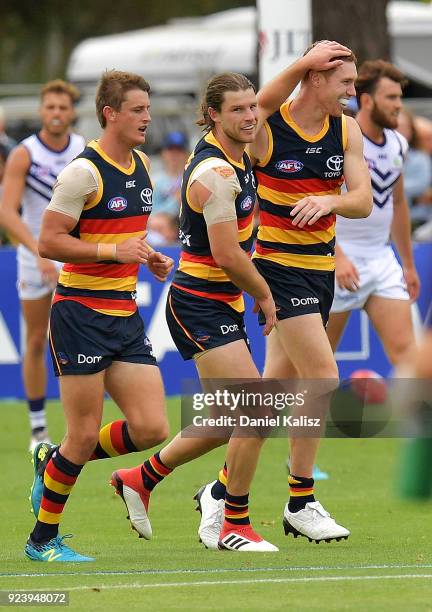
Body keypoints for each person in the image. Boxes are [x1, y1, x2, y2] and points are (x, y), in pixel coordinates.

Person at [109, 41, 353, 553]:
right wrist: (266, 297)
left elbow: (261, 108)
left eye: (251, 108)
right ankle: (237, 521)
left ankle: (144, 479)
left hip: (222, 301)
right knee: (259, 409)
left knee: (234, 419)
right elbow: (227, 255)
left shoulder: (237, 155)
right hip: (201, 300)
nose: (250, 116)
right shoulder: (218, 173)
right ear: (213, 117)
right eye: (238, 110)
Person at [195, 41, 371, 545]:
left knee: (268, 395)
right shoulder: (270, 129)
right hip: (277, 269)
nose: (351, 92)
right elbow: (262, 104)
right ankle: (300, 499)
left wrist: (328, 198)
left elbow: (361, 201)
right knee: (322, 377)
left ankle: (219, 488)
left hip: (319, 272)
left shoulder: (346, 129)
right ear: (315, 80)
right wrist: (300, 63)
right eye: (344, 82)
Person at [24, 70, 173, 562]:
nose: (146, 118)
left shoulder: (145, 165)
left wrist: (146, 256)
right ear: (110, 113)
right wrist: (114, 251)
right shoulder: (81, 173)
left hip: (123, 314)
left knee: (152, 428)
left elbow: (124, 234)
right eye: (137, 110)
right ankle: (42, 540)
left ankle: (54, 461)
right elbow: (49, 242)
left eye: (148, 110)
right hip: (80, 314)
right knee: (84, 432)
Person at [0, 80, 85, 451]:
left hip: (76, 254)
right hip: (34, 255)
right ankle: (38, 428)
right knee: (37, 339)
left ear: (72, 112)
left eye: (62, 108)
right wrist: (40, 252)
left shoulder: (84, 149)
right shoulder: (25, 154)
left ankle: (80, 424)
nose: (56, 114)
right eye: (50, 107)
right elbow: (7, 211)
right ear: (41, 111)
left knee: (82, 338)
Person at [327, 60, 420, 371]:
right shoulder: (339, 140)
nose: (398, 106)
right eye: (391, 98)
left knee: (409, 358)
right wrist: (336, 256)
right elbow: (316, 202)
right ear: (367, 101)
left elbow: (398, 203)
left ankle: (417, 420)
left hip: (381, 261)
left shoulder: (399, 143)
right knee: (317, 368)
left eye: (399, 98)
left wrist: (407, 264)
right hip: (335, 261)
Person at [151, 131, 189, 217]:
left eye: (179, 150)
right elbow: (152, 215)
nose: (174, 154)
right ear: (163, 153)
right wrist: (176, 200)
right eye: (170, 149)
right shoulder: (155, 180)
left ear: (187, 154)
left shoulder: (192, 179)